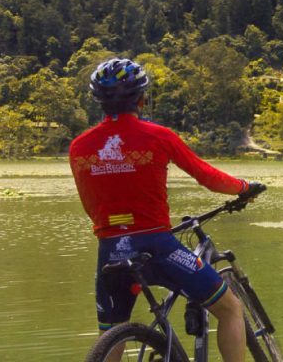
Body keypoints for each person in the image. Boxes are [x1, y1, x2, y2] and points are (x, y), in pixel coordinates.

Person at [69, 58, 258, 362]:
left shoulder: (79, 147)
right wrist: (244, 188)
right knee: (230, 309)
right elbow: (208, 177)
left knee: (110, 335)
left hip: (111, 251)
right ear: (141, 99)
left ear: (99, 102)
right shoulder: (159, 136)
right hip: (158, 246)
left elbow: (91, 207)